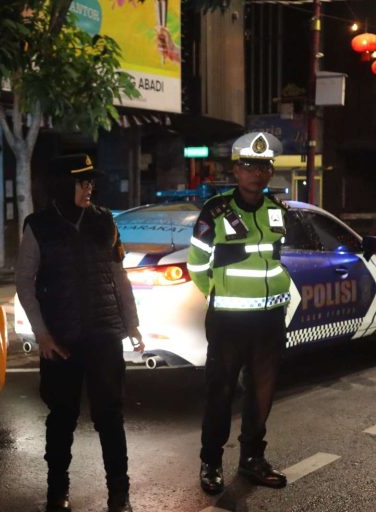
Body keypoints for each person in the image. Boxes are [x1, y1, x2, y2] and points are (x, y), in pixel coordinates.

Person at [15, 154, 144, 512]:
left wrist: (132, 323)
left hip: (104, 335)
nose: (89, 188)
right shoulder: (39, 226)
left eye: (91, 182)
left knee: (110, 417)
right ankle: (57, 491)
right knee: (61, 417)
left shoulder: (104, 221)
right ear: (62, 184)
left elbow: (119, 276)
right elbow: (24, 283)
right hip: (61, 340)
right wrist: (42, 335)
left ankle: (119, 492)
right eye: (82, 181)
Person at [187, 131, 291, 495]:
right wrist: (216, 293)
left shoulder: (276, 210)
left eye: (263, 166)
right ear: (236, 170)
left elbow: (276, 258)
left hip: (270, 318)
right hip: (229, 320)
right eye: (248, 165)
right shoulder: (215, 211)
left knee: (262, 392)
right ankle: (211, 462)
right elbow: (196, 264)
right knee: (221, 392)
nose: (256, 173)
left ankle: (252, 459)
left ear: (270, 171)